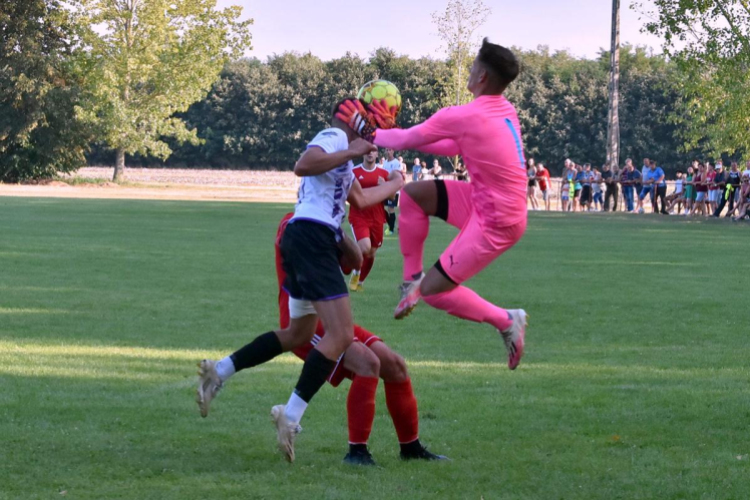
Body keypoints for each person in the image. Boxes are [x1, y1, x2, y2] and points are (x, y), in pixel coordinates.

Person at [195, 99, 404, 463]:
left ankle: (220, 371)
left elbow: (361, 197)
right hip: (312, 237)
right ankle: (289, 415)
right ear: (363, 122)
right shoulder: (336, 136)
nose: (376, 136)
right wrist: (350, 149)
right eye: (375, 125)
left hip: (307, 238)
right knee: (339, 336)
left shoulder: (345, 154)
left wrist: (397, 183)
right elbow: (303, 165)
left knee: (297, 335)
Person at [366, 37, 528, 370]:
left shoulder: (466, 115)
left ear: (481, 76)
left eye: (472, 66)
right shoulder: (503, 108)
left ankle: (507, 320)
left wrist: (362, 133)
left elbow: (408, 138)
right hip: (488, 202)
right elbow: (453, 146)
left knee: (436, 293)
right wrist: (394, 136)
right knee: (413, 196)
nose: (469, 71)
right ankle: (412, 280)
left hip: (497, 221)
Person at [272, 213, 446, 465]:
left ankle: (411, 448)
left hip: (333, 317)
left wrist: (347, 237)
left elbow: (354, 261)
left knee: (395, 365)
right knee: (367, 363)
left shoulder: (330, 224)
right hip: (305, 321)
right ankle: (357, 453)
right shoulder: (292, 223)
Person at [348, 150, 391, 291]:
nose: (370, 153)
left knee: (371, 253)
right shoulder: (353, 172)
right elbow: (345, 192)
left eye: (373, 151)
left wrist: (384, 187)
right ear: (363, 153)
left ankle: (359, 282)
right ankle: (355, 272)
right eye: (367, 151)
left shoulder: (384, 174)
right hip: (359, 216)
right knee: (365, 247)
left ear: (377, 154)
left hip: (377, 218)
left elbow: (392, 198)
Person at [383, 148, 404, 235]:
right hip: (386, 188)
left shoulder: (396, 163)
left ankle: (391, 229)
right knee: (382, 207)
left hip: (393, 189)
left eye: (390, 150)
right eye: (387, 150)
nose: (388, 152)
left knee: (391, 208)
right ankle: (393, 226)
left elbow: (397, 176)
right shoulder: (385, 163)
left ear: (393, 151)